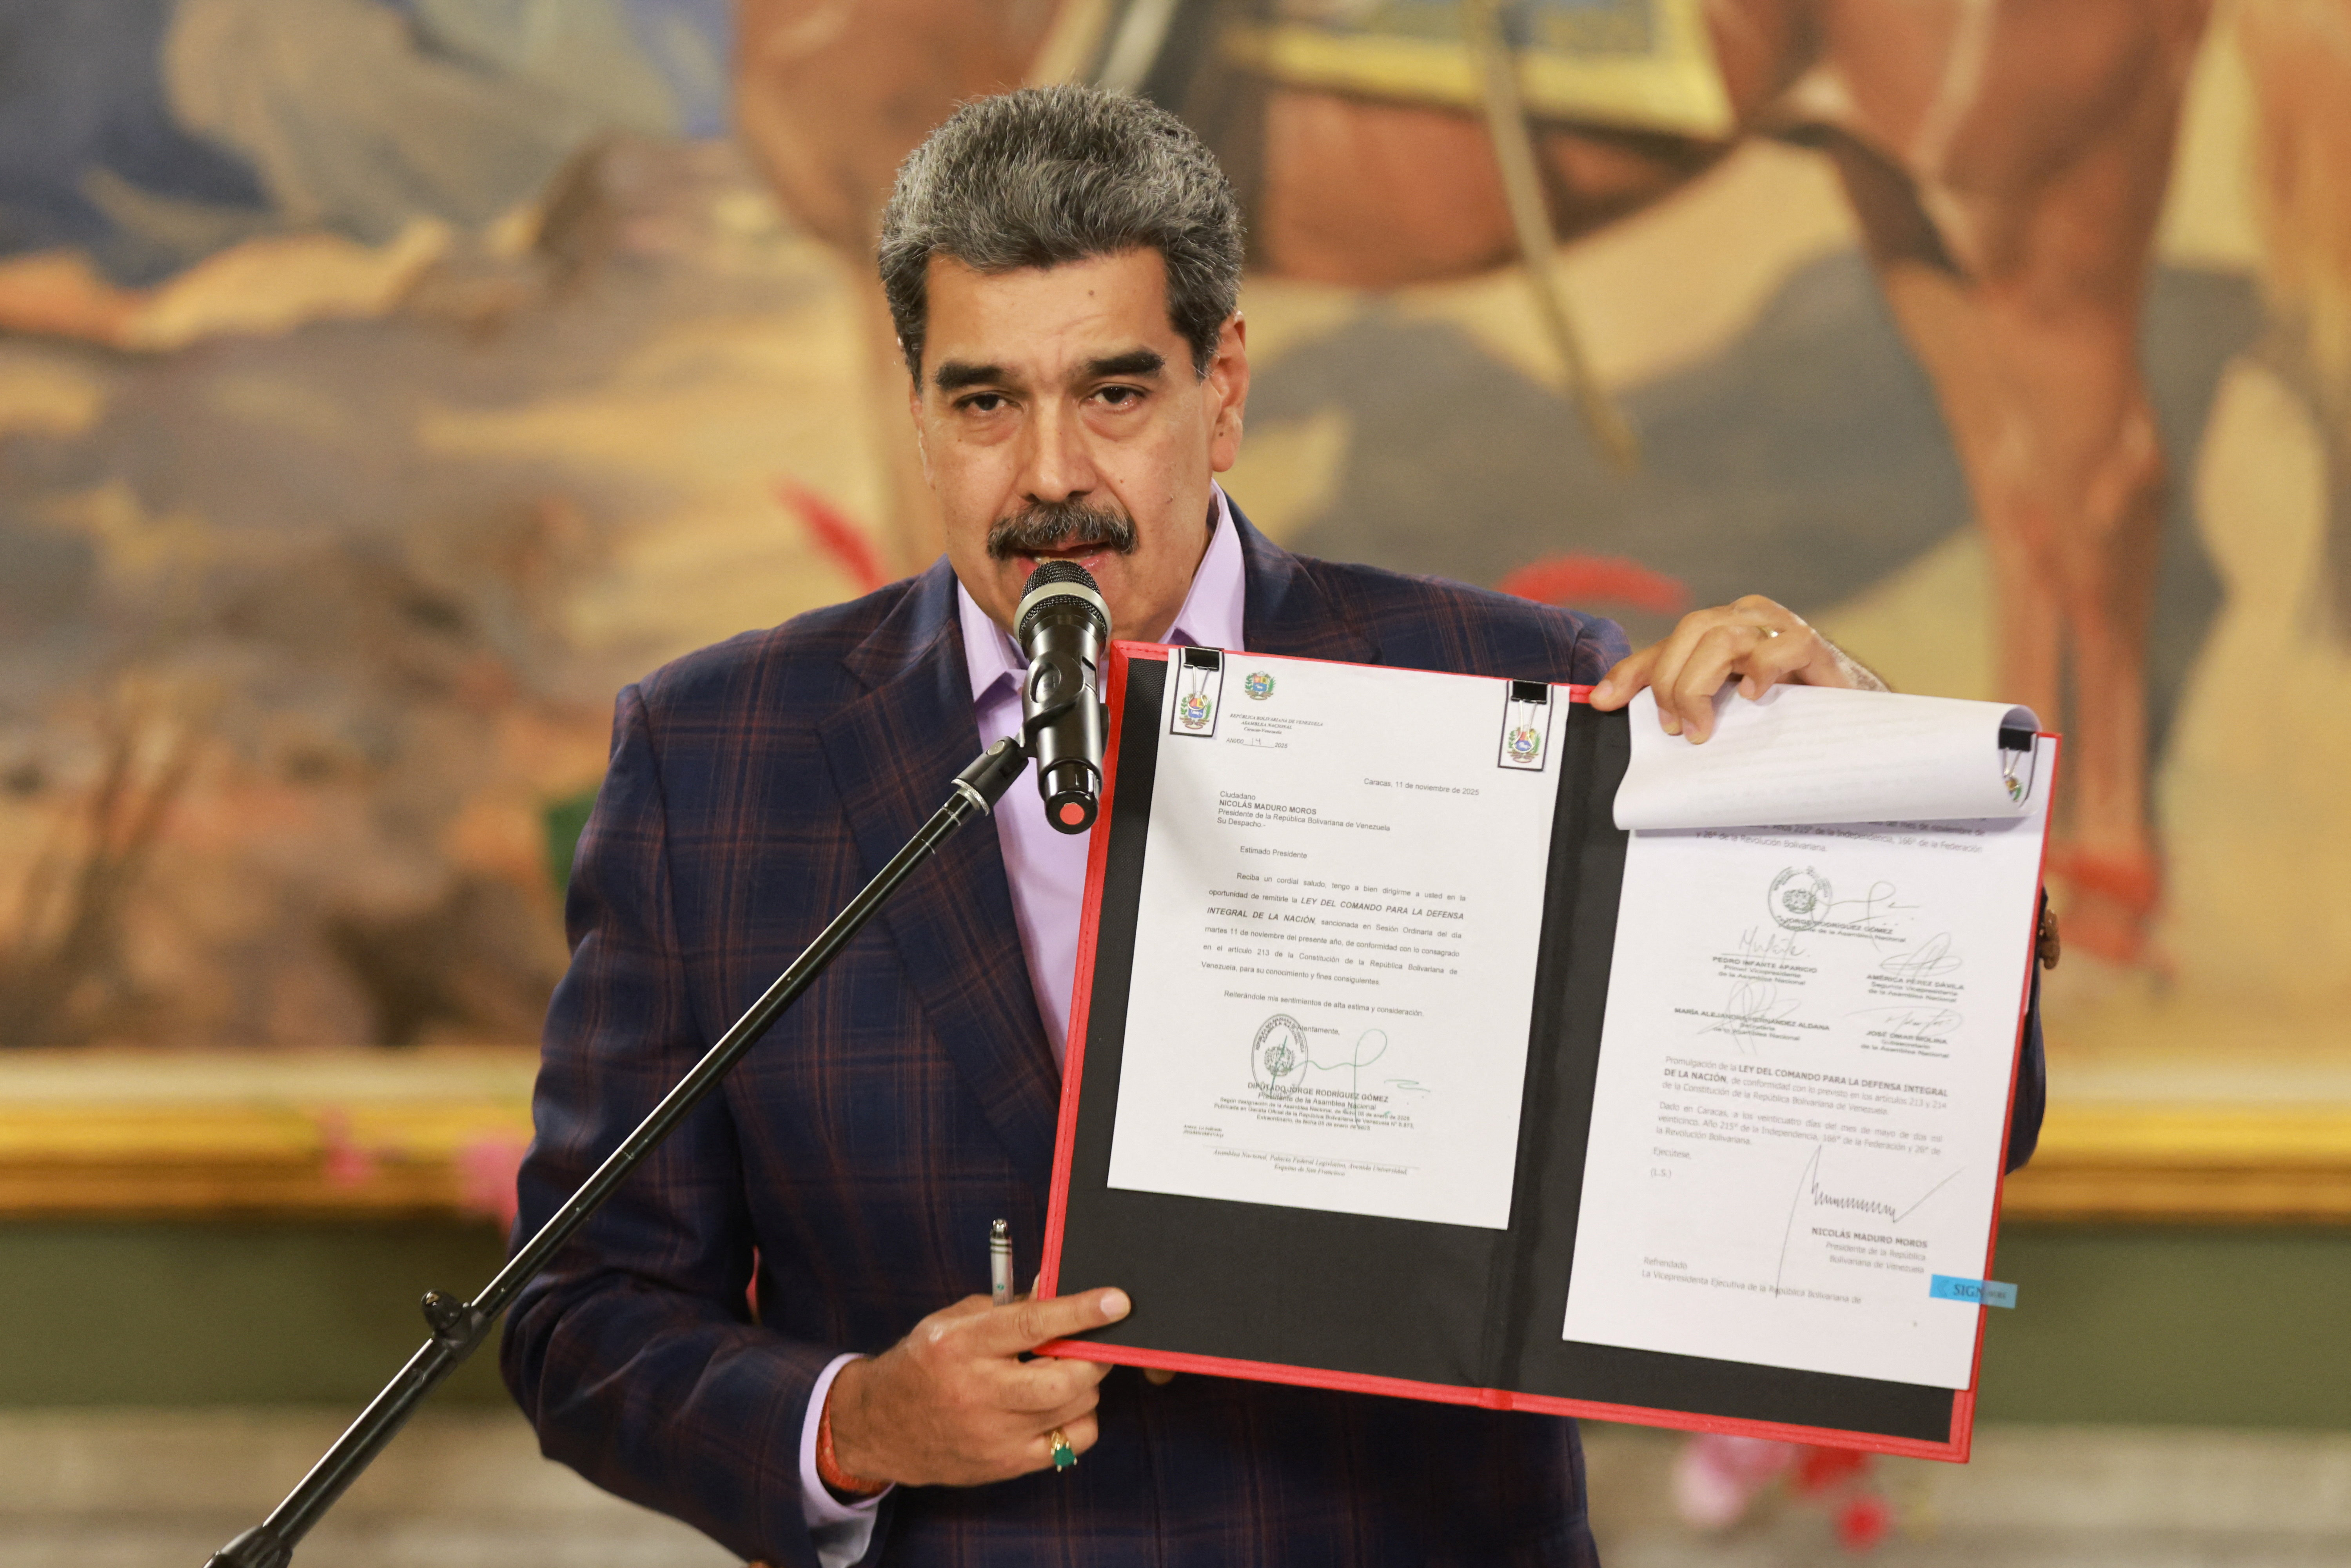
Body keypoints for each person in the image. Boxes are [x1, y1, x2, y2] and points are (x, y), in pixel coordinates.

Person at [502, 84, 2046, 1568]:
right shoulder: (717, 759)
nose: (1051, 475)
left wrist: (1853, 777)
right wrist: (856, 1424)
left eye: (1115, 393)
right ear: (919, 411)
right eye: (986, 402)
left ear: (1224, 388)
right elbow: (580, 1314)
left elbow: (1954, 1124)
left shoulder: (1517, 690)